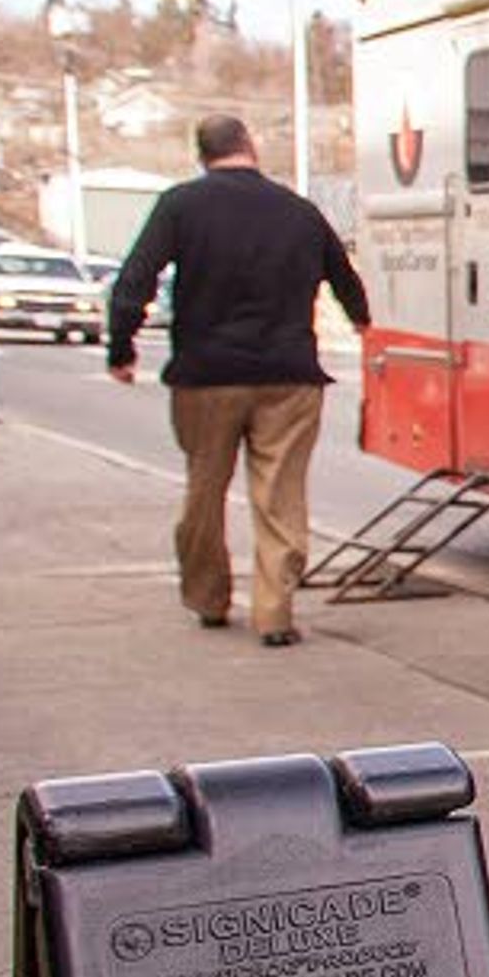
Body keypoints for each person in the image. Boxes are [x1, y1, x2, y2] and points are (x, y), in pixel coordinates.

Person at [105, 114, 370, 646]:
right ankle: (274, 613)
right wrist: (361, 322)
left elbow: (135, 279)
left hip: (207, 376)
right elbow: (344, 277)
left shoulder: (180, 205)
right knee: (280, 497)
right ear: (249, 145)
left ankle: (208, 598)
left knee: (205, 491)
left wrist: (122, 348)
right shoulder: (299, 211)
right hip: (290, 376)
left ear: (201, 155)